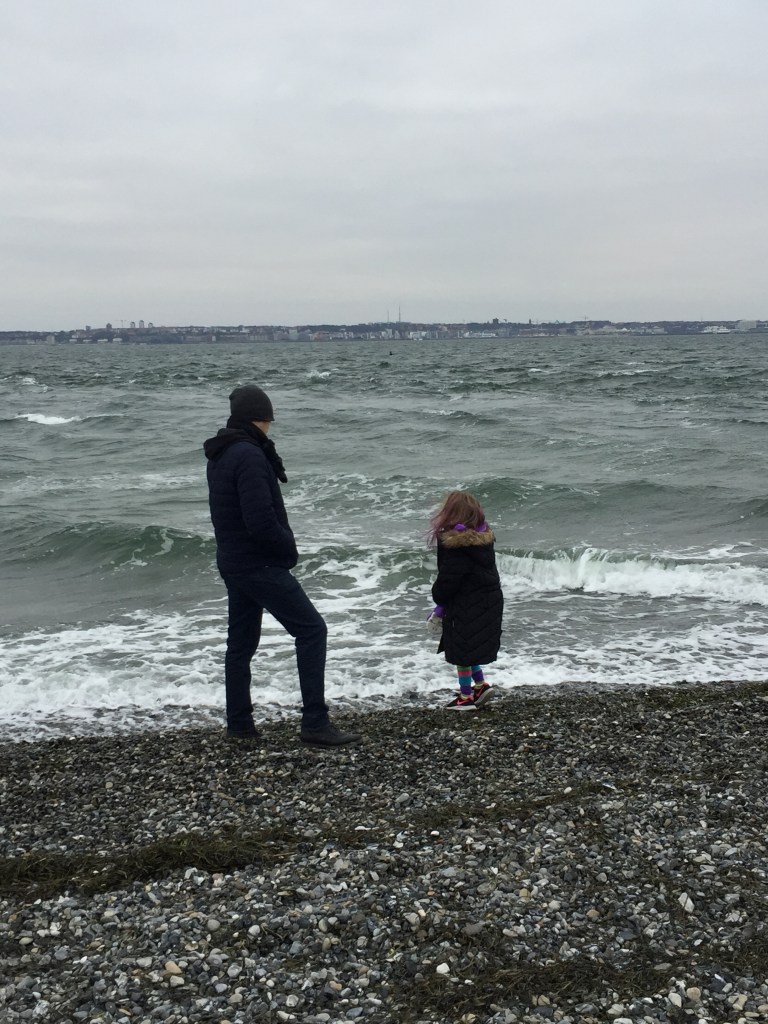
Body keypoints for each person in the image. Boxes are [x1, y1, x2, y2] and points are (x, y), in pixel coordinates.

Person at [204, 384, 361, 747]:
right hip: (257, 564)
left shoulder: (221, 453)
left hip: (232, 561)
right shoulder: (249, 455)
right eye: (269, 419)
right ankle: (315, 723)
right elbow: (260, 520)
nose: (270, 425)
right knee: (312, 630)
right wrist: (287, 551)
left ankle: (239, 725)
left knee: (240, 645)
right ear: (261, 418)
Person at [428, 490, 504, 710]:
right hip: (488, 602)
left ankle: (465, 697)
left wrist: (438, 598)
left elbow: (448, 581)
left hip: (466, 606)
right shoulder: (482, 541)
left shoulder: (458, 547)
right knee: (471, 647)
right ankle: (480, 686)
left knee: (461, 652)